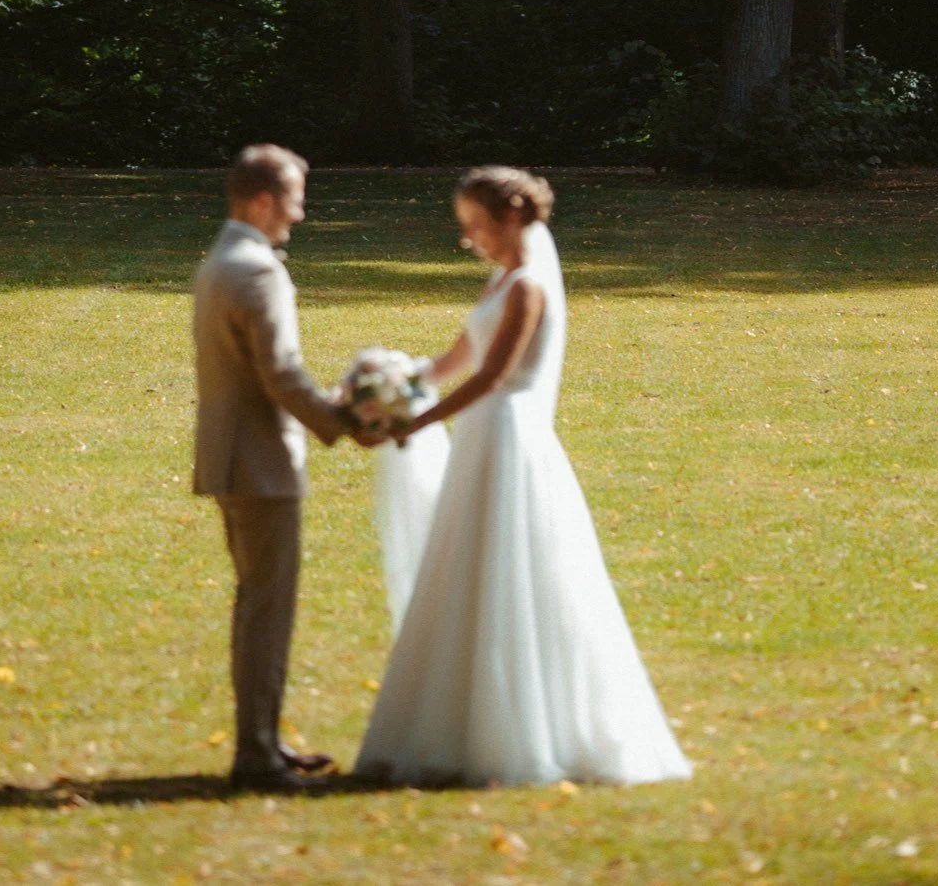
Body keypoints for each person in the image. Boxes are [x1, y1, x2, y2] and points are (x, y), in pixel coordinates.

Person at [356, 164, 691, 789]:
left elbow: (492, 377)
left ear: (510, 218)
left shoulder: (530, 286)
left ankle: (525, 727)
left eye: (476, 226)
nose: (470, 239)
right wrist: (396, 383)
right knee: (469, 564)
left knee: (513, 565)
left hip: (510, 436)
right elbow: (459, 358)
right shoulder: (499, 279)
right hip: (482, 436)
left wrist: (416, 421)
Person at [192, 142, 377, 787]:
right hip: (261, 462)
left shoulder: (220, 259)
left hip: (230, 456)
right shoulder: (257, 271)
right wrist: (347, 422)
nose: (299, 214)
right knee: (268, 609)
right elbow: (283, 375)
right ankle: (257, 756)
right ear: (265, 199)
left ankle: (263, 742)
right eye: (296, 199)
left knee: (256, 604)